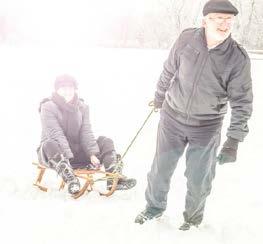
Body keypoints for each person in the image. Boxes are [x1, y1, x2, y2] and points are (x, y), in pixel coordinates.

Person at [135, 0, 253, 230]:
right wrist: (159, 96)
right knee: (160, 169)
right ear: (205, 20)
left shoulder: (237, 58)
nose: (224, 23)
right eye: (218, 18)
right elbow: (169, 69)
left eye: (228, 20)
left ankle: (192, 220)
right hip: (172, 119)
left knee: (199, 180)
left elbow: (242, 102)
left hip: (206, 127)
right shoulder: (186, 39)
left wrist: (233, 141)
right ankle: (153, 208)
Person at [37, 74, 136, 195]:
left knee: (105, 141)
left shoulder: (82, 107)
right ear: (57, 90)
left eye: (70, 87)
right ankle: (71, 180)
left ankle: (113, 179)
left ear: (75, 89)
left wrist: (92, 154)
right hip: (55, 155)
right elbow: (56, 134)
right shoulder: (47, 107)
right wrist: (68, 157)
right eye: (63, 87)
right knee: (49, 143)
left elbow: (86, 132)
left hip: (77, 153)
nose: (67, 91)